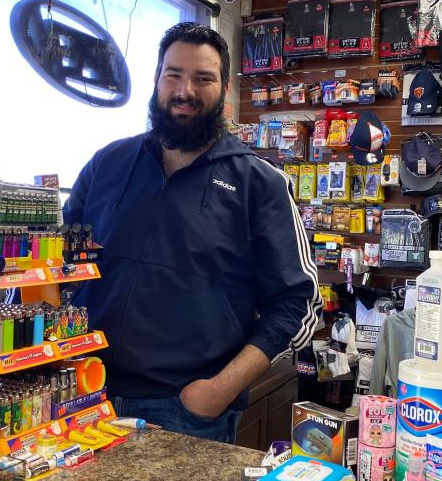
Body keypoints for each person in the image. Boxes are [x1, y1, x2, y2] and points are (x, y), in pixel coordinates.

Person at [63, 22, 322, 443]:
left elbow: (298, 303)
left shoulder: (261, 183)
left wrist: (218, 391)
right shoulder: (107, 163)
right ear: (156, 80)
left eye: (203, 78)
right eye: (174, 75)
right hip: (81, 392)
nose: (185, 90)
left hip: (184, 410)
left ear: (224, 90)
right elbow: (61, 263)